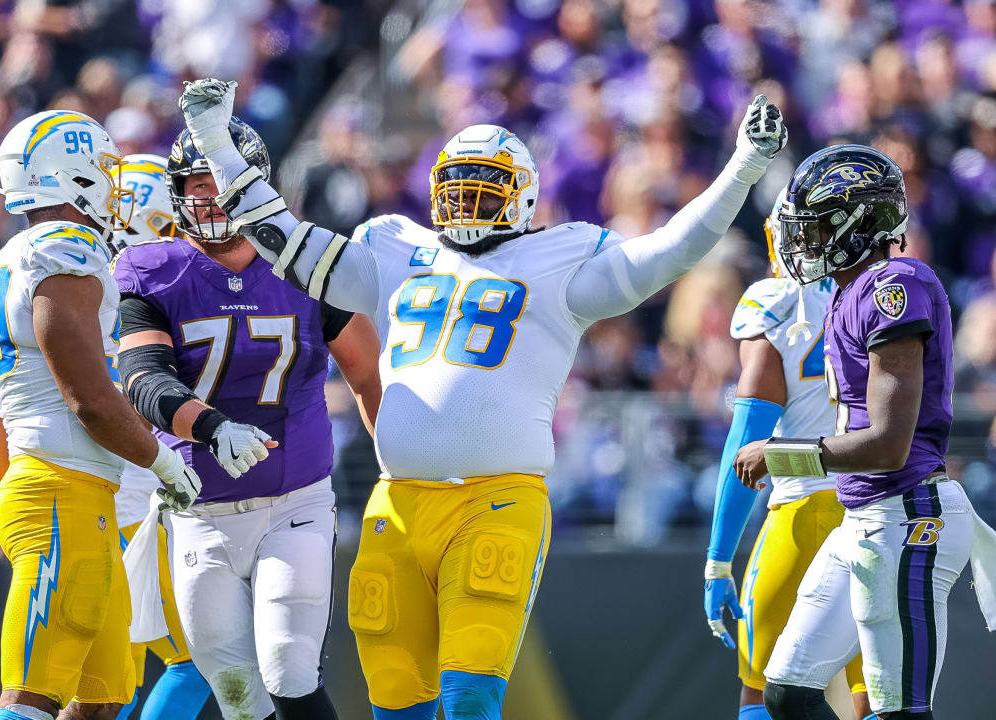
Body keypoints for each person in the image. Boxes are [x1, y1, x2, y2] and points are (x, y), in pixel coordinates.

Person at [177, 77, 787, 719]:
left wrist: (743, 168)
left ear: (522, 197)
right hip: (401, 500)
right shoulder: (393, 246)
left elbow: (668, 252)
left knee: (470, 699)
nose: (468, 202)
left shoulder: (559, 260)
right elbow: (285, 243)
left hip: (496, 500)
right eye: (458, 187)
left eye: (485, 189)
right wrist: (216, 141)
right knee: (395, 702)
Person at [733, 145, 996, 719]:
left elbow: (889, 443)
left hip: (909, 517)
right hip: (869, 516)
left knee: (899, 711)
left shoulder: (891, 287)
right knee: (788, 694)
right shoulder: (852, 290)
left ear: (858, 224)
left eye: (818, 225)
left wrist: (783, 456)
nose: (806, 240)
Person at [112, 118, 382, 720]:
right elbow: (142, 378)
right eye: (194, 184)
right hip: (199, 513)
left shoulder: (305, 262)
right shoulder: (152, 271)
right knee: (237, 696)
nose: (206, 197)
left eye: (219, 182)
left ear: (254, 183)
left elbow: (368, 375)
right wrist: (213, 427)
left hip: (296, 501)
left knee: (288, 668)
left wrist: (396, 466)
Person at [0, 110, 202, 720]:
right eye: (101, 167)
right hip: (61, 490)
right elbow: (90, 400)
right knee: (30, 698)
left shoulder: (2, 263)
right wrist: (164, 463)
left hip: (60, 490)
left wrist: (8, 503)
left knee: (103, 697)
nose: (109, 181)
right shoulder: (66, 251)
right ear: (73, 174)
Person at [704, 189, 871, 720]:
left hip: (802, 514)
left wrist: (717, 560)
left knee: (762, 695)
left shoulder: (777, 304)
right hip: (878, 509)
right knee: (881, 698)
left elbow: (743, 442)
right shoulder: (896, 293)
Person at [108, 152, 213, 720]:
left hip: (85, 496)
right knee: (191, 660)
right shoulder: (155, 287)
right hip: (138, 499)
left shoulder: (74, 283)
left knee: (108, 667)